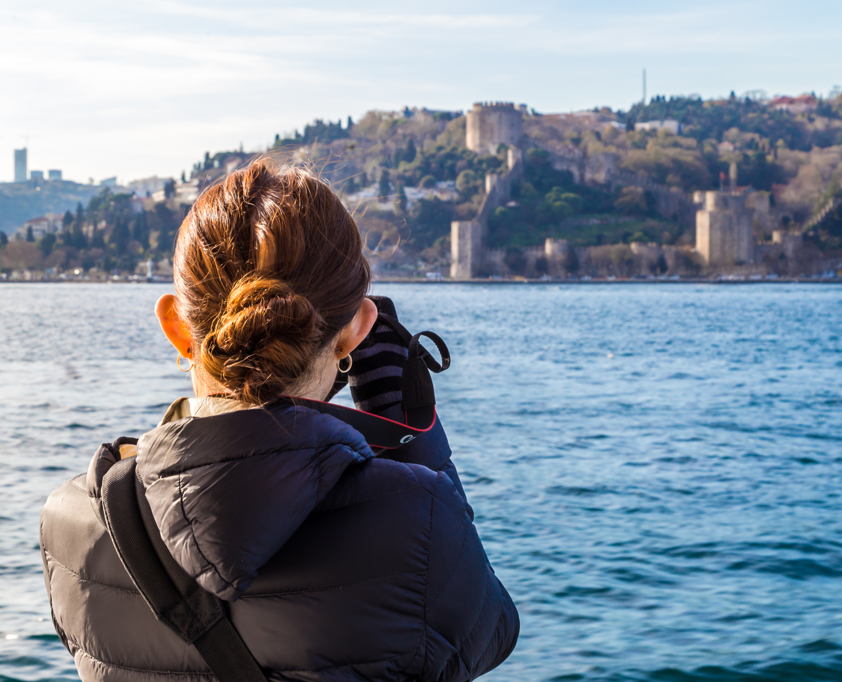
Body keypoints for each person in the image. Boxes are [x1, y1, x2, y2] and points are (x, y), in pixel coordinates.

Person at [39, 161, 519, 681]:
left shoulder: (72, 525)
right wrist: (407, 436)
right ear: (356, 330)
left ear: (177, 328)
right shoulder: (417, 523)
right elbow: (490, 631)